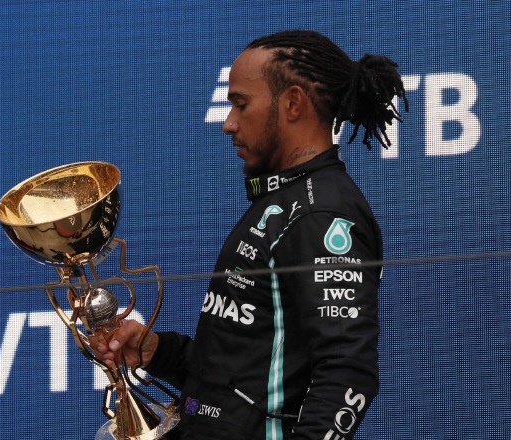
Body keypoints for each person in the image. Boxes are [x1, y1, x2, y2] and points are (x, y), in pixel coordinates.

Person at [95, 30, 407, 439]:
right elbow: (243, 382)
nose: (228, 124)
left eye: (241, 105)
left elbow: (347, 375)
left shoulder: (323, 214)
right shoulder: (280, 202)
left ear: (293, 103)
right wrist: (158, 352)